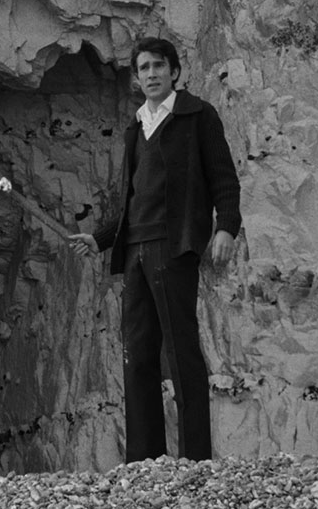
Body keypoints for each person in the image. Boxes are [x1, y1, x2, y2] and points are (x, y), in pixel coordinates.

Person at [68, 37, 242, 463]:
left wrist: (227, 228)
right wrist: (100, 238)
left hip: (176, 243)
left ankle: (196, 456)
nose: (151, 74)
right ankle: (145, 460)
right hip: (136, 249)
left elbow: (224, 177)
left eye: (158, 66)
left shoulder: (198, 115)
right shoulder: (135, 127)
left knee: (181, 350)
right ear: (136, 77)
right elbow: (130, 199)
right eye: (143, 68)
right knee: (138, 351)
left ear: (175, 72)